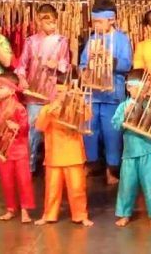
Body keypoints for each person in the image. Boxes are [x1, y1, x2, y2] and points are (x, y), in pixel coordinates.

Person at [79, 0, 132, 185]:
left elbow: (127, 64)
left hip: (112, 94)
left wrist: (108, 60)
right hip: (93, 95)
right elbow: (83, 63)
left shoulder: (122, 39)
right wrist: (85, 70)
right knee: (90, 131)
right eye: (95, 22)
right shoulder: (93, 39)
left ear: (112, 20)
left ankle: (112, 170)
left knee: (112, 133)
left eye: (99, 21)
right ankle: (91, 165)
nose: (96, 25)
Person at [14, 3, 70, 173]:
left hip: (52, 92)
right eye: (46, 22)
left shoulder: (62, 41)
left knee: (53, 131)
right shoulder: (31, 41)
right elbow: (22, 64)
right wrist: (22, 79)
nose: (50, 26)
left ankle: (53, 166)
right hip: (34, 92)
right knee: (32, 131)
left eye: (53, 22)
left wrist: (58, 64)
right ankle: (29, 167)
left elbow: (66, 64)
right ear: (38, 21)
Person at [34, 72, 93, 227]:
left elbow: (87, 116)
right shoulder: (47, 108)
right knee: (52, 189)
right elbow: (40, 126)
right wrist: (51, 109)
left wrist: (79, 100)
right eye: (57, 91)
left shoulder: (76, 106)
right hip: (54, 154)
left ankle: (81, 215)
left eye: (62, 91)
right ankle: (49, 215)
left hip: (73, 154)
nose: (59, 94)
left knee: (77, 188)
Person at [112, 70, 151, 228]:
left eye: (146, 88)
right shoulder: (124, 106)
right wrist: (124, 116)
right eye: (140, 88)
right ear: (129, 87)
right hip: (130, 152)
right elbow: (115, 124)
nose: (143, 91)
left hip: (150, 149)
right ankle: (124, 213)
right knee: (127, 185)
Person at [0, 72, 34, 223]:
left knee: (23, 180)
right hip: (3, 149)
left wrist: (17, 126)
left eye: (1, 87)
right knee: (7, 180)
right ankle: (10, 208)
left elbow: (25, 127)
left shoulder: (19, 108)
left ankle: (25, 210)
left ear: (12, 90)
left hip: (19, 149)